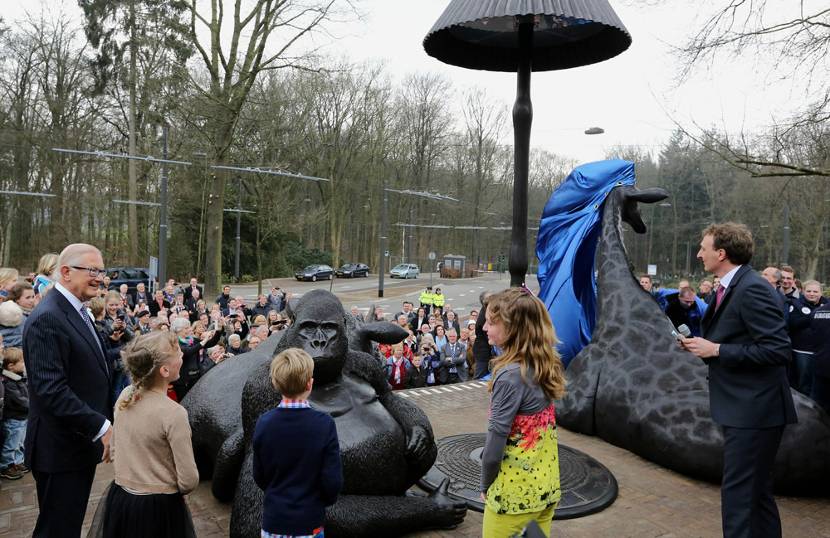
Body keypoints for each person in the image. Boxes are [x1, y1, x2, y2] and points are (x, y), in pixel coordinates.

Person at [680, 223, 796, 538]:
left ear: (721, 253)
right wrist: (704, 349)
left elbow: (778, 350)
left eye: (704, 248)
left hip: (756, 412)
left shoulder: (752, 287)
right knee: (755, 496)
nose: (699, 253)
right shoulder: (729, 285)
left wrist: (717, 349)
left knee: (739, 499)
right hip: (745, 409)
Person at [23, 243, 114, 537]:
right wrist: (100, 426)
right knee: (57, 529)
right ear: (66, 272)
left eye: (102, 271)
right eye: (93, 270)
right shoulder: (48, 318)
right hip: (59, 451)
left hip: (76, 447)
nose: (100, 277)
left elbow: (91, 367)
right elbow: (52, 391)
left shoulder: (78, 311)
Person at [88, 331, 199, 538]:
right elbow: (189, 479)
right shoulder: (174, 413)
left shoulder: (126, 395)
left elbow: (116, 448)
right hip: (159, 508)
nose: (183, 354)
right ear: (165, 370)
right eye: (178, 352)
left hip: (122, 498)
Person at [480, 287, 565, 537]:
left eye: (491, 322)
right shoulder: (545, 363)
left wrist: (486, 484)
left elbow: (494, 447)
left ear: (513, 327)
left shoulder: (509, 376)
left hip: (513, 498)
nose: (485, 328)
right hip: (546, 489)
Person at [253, 348, 343, 538]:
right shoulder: (324, 424)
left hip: (274, 519)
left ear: (275, 383)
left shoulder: (264, 423)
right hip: (309, 519)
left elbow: (259, 475)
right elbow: (332, 481)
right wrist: (320, 501)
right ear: (310, 384)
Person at [1, 347, 29, 480]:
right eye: (21, 361)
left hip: (21, 418)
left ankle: (18, 462)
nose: (24, 364)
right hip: (14, 419)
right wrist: (32, 405)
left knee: (19, 442)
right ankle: (6, 465)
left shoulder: (17, 377)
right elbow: (20, 400)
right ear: (11, 366)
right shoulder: (9, 382)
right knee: (11, 443)